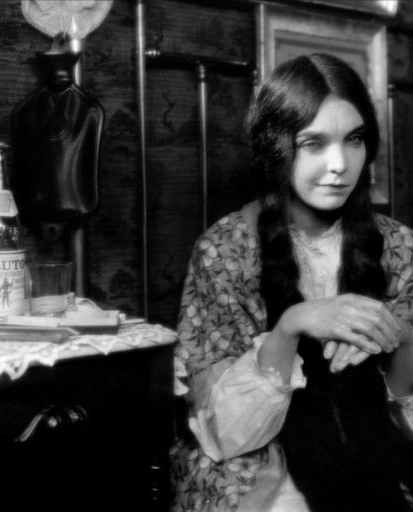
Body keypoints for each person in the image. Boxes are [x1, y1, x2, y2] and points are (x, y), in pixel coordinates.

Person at [170, 53, 413, 512]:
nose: (339, 164)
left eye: (354, 139)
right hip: (259, 459)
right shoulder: (226, 249)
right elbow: (229, 435)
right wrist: (293, 325)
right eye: (314, 143)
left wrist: (400, 335)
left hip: (377, 450)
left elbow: (405, 417)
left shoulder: (400, 246)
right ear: (276, 148)